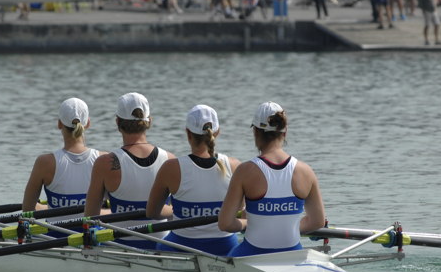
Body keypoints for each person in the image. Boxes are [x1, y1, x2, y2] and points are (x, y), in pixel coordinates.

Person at [218, 102, 325, 257]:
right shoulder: (306, 171)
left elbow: (225, 223)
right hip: (293, 254)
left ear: (255, 132)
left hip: (250, 254)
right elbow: (317, 222)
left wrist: (249, 223)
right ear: (285, 132)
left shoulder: (245, 171)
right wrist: (288, 227)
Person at [146, 105, 240, 256]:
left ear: (188, 133)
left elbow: (152, 212)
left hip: (180, 246)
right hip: (225, 247)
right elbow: (239, 211)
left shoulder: (171, 168)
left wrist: (179, 210)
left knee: (160, 244)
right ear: (217, 132)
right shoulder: (235, 166)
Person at [84, 92, 175, 250]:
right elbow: (176, 214)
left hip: (120, 246)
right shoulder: (170, 160)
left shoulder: (105, 163)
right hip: (163, 245)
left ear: (118, 122)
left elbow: (90, 218)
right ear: (149, 122)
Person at [22, 98, 105, 214]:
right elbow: (117, 210)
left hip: (56, 232)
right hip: (93, 231)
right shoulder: (105, 160)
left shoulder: (45, 162)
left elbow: (27, 210)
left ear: (59, 124)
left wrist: (52, 207)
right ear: (88, 124)